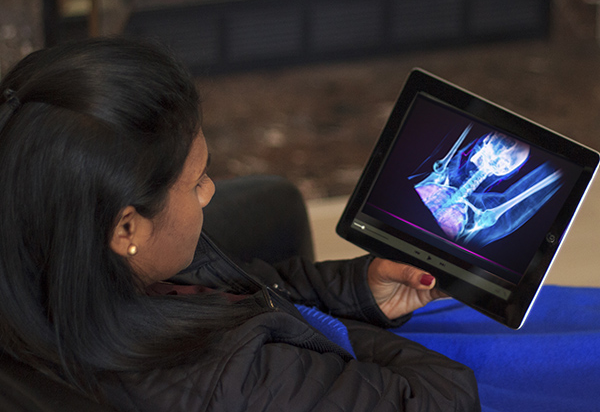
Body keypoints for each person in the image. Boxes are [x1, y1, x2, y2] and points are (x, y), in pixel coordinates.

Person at [0, 37, 480, 411]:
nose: (211, 191)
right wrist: (353, 332)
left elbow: (231, 287)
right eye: (195, 182)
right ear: (127, 230)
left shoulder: (59, 255)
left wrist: (356, 290)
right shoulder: (235, 384)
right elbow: (442, 398)